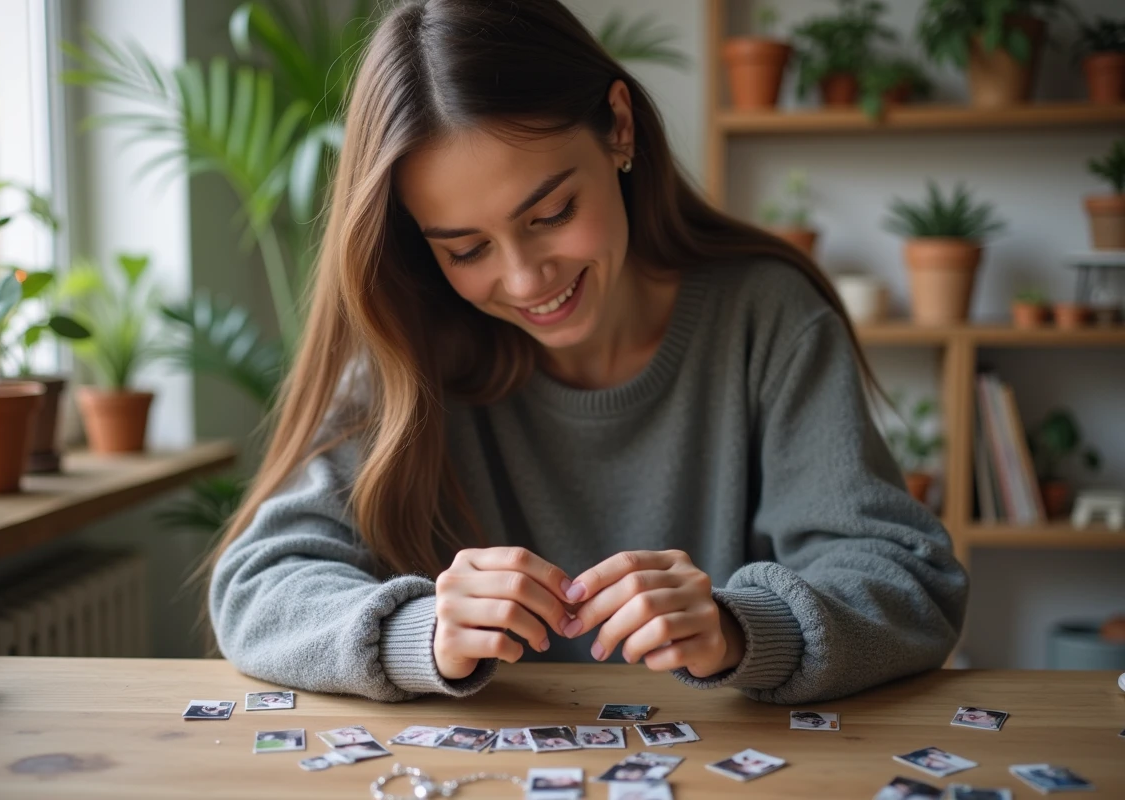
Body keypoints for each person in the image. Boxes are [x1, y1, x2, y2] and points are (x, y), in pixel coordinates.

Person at [208, 0, 968, 705]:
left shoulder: (765, 318)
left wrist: (744, 626)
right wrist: (423, 631)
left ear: (619, 127)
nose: (524, 278)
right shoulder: (407, 347)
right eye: (465, 249)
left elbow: (910, 581)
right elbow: (258, 587)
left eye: (550, 213)